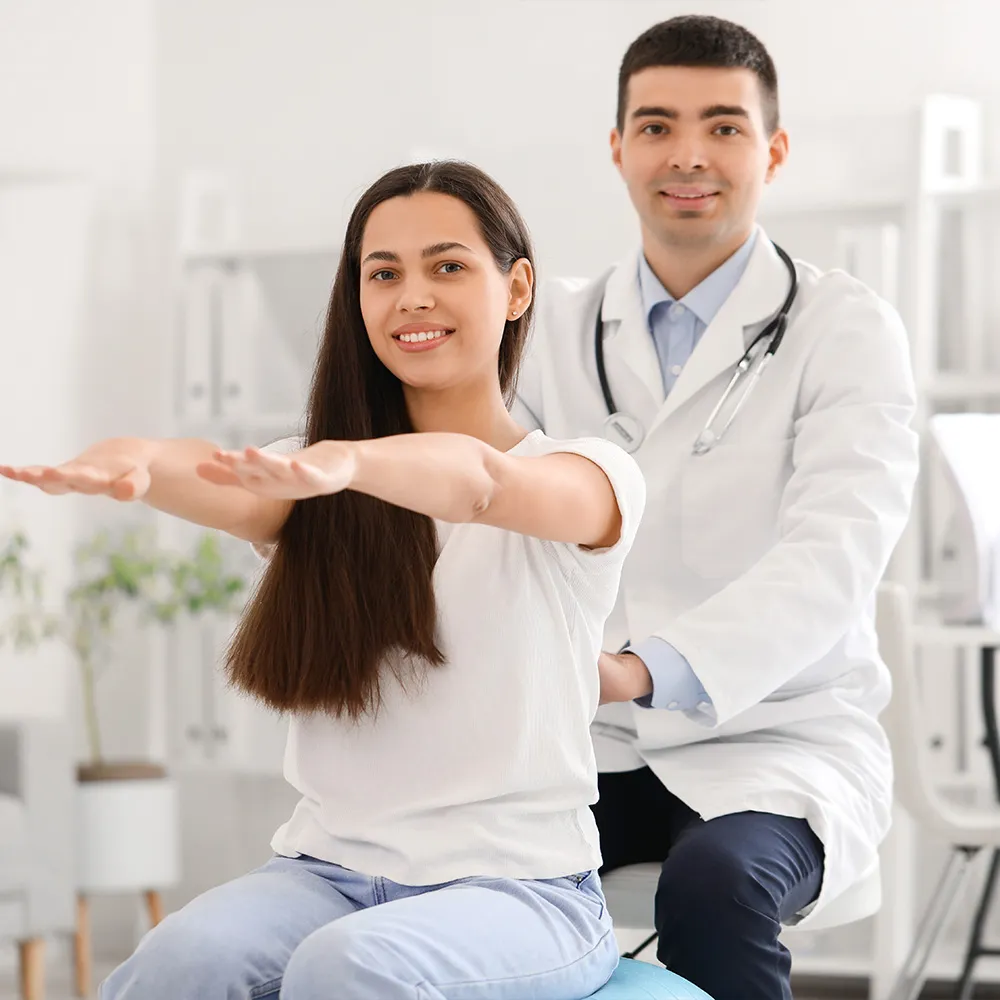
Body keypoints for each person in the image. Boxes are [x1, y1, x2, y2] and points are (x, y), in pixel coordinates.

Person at [1, 161, 646, 1000]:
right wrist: (139, 461)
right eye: (384, 274)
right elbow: (216, 474)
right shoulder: (319, 481)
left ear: (517, 287)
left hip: (523, 891)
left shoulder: (589, 475)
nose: (411, 296)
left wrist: (343, 462)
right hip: (325, 874)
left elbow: (482, 481)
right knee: (176, 962)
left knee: (345, 968)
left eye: (447, 266)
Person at [512, 14, 920, 1000]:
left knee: (714, 883)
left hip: (778, 737)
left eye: (724, 128)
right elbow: (480, 506)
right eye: (655, 126)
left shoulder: (845, 329)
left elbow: (831, 560)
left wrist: (638, 668)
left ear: (772, 151)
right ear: (617, 149)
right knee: (481, 872)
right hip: (589, 741)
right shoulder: (548, 327)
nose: (687, 154)